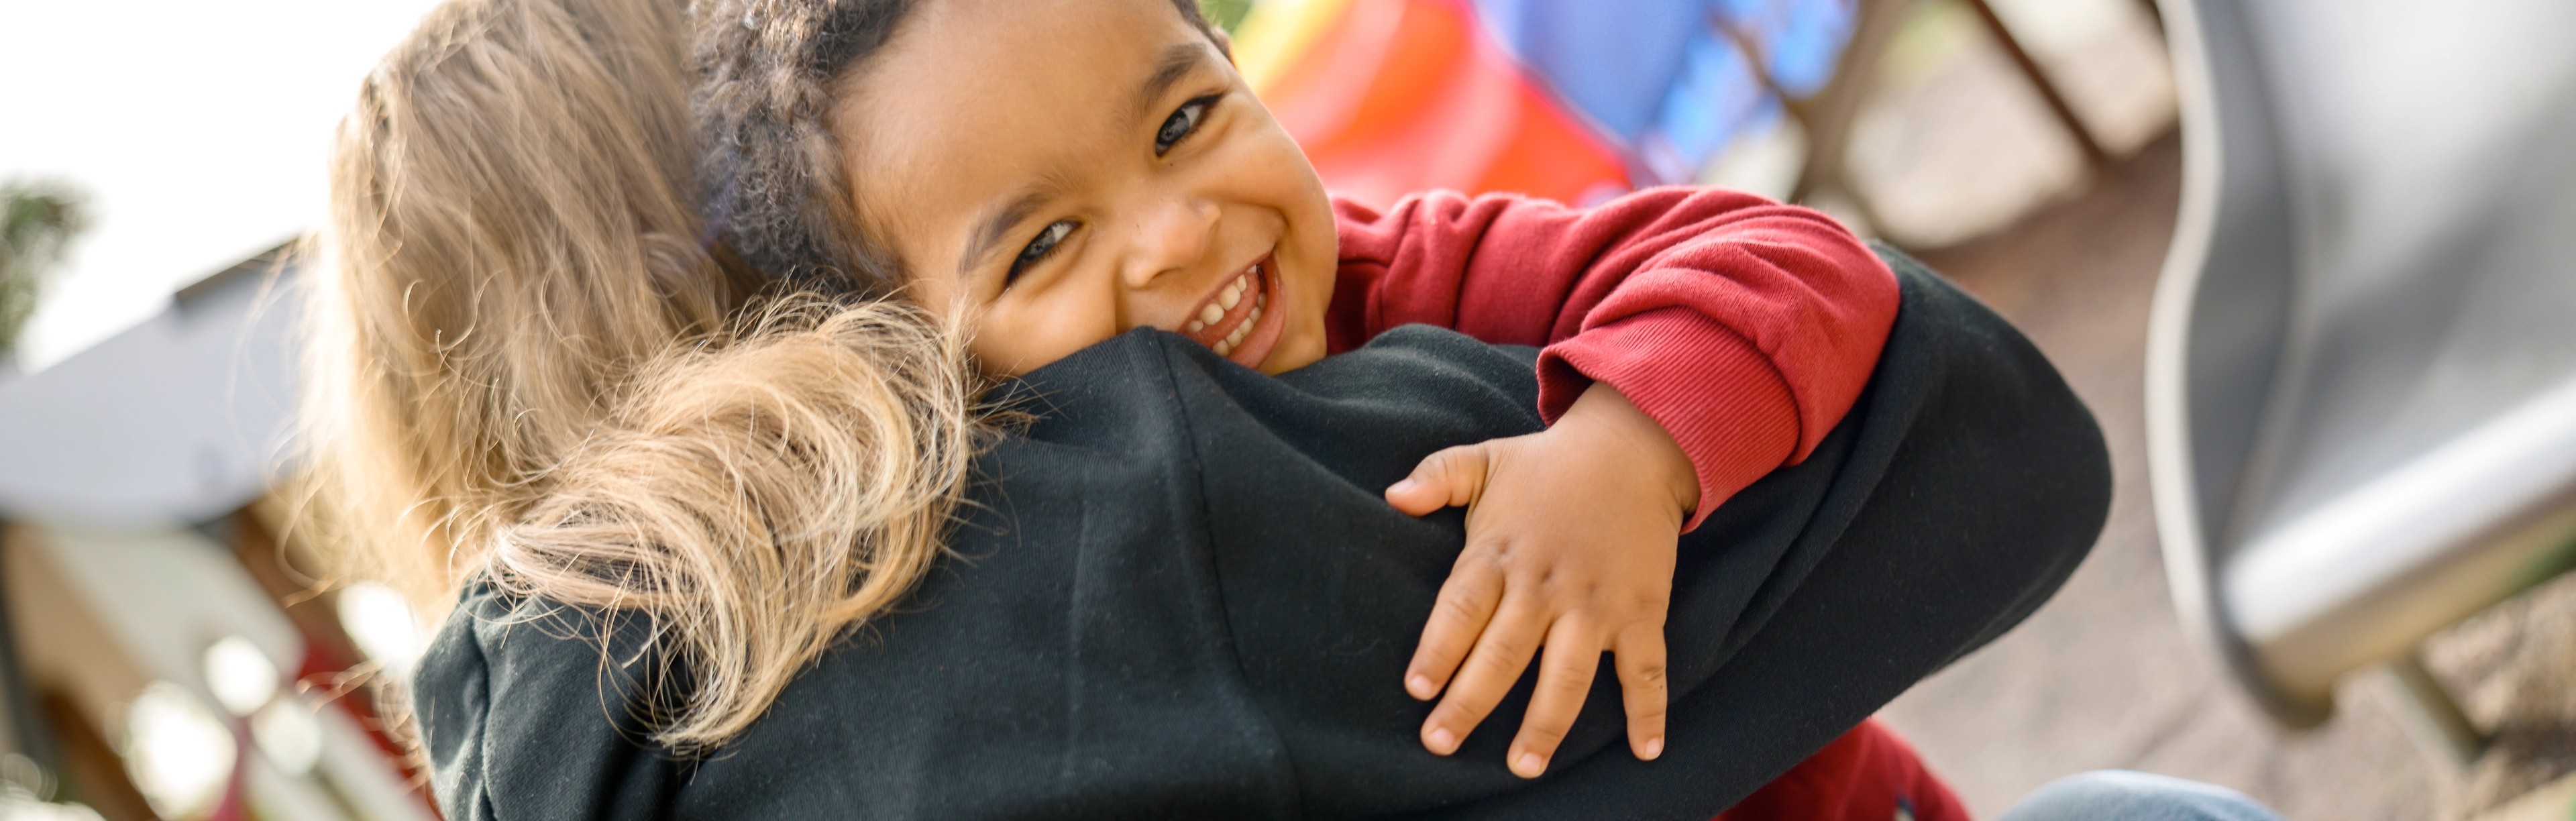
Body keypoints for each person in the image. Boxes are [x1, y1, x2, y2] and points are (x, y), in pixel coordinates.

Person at [305, 0, 2108, 818]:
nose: (1173, 244)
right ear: (851, 310)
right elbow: (1956, 406)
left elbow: (1767, 261)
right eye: (1043, 242)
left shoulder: (569, 738)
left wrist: (1628, 439)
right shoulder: (1121, 516)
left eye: (1186, 118)